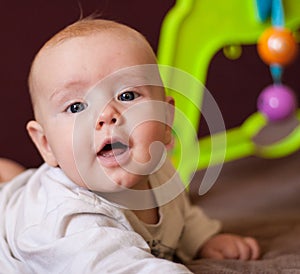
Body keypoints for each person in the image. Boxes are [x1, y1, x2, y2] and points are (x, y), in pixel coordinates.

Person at [0, 18, 260, 273]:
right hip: (13, 224)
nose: (106, 114)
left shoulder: (159, 169)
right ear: (46, 145)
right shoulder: (70, 221)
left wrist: (203, 239)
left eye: (127, 95)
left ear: (166, 121)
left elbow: (180, 214)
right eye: (76, 107)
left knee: (13, 181)